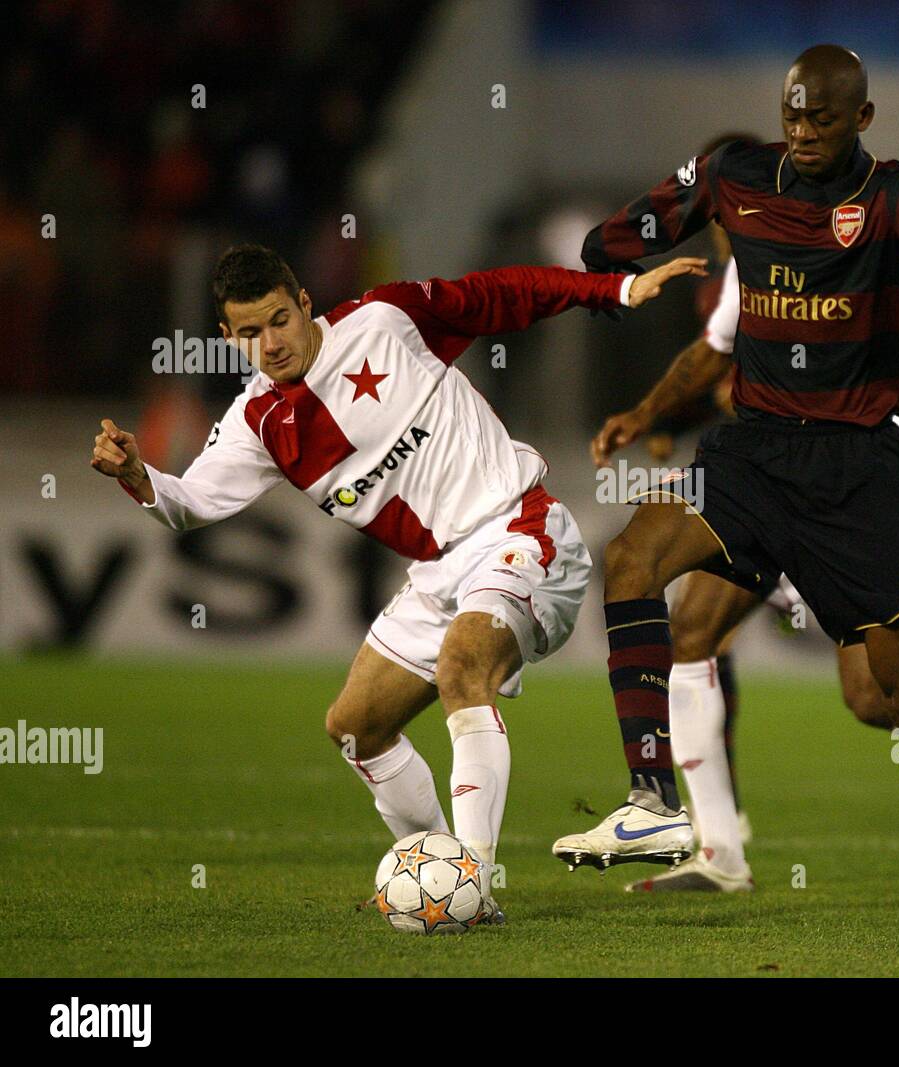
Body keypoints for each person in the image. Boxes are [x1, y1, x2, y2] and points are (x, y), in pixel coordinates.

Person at [89, 242, 705, 927]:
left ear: (303, 304)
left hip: (519, 531)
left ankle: (470, 884)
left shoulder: (387, 320)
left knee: (461, 666)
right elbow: (190, 503)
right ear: (228, 337)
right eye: (248, 334)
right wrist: (138, 475)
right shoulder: (259, 425)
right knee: (356, 727)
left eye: (278, 321)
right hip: (440, 574)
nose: (270, 343)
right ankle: (434, 870)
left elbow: (502, 293)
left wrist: (611, 291)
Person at [555, 44, 899, 925]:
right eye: (793, 116)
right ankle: (655, 802)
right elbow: (607, 242)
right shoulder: (736, 176)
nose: (803, 133)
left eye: (822, 119)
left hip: (857, 473)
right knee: (630, 562)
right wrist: (636, 249)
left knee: (896, 689)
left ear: (862, 120)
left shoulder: (895, 196)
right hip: (752, 453)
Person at [577, 258, 899, 896]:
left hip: (875, 493)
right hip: (775, 480)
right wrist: (656, 415)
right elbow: (723, 369)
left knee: (880, 693)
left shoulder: (889, 243)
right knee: (692, 630)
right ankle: (721, 851)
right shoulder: (761, 256)